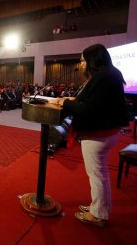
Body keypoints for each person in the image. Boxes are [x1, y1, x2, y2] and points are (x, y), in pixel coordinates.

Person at [49, 44, 129, 227]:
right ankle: (98, 207)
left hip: (97, 134)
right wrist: (73, 100)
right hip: (107, 132)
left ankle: (98, 215)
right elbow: (94, 102)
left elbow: (88, 109)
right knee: (100, 174)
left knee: (97, 175)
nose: (81, 63)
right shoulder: (111, 74)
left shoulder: (101, 78)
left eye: (83, 59)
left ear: (93, 60)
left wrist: (66, 103)